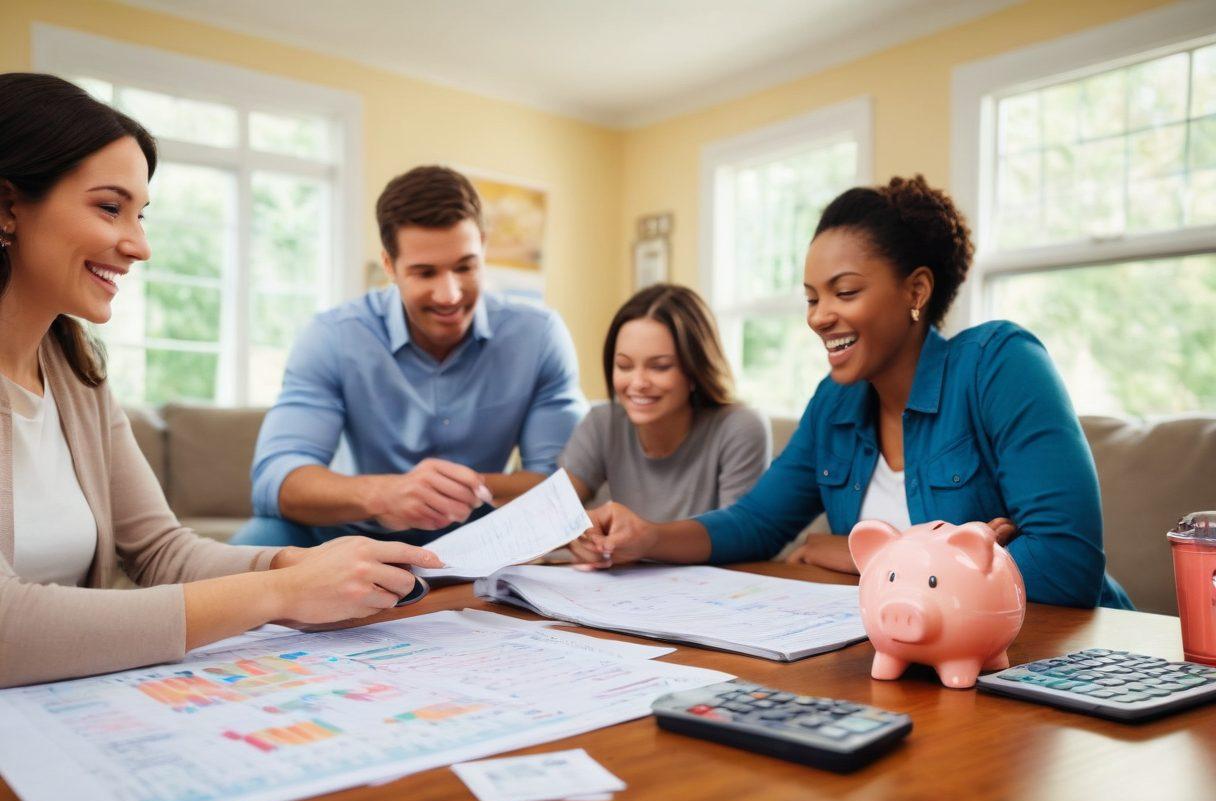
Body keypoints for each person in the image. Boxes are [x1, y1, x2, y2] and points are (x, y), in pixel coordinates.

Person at [0, 74, 443, 688]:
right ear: (7, 207)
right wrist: (282, 591)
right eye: (110, 207)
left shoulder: (78, 374)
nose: (140, 245)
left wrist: (304, 564)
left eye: (141, 214)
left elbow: (161, 552)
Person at [569, 175, 1132, 609]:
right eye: (812, 297)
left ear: (916, 290)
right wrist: (646, 537)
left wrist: (879, 557)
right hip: (909, 655)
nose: (820, 317)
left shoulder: (999, 365)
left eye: (845, 291)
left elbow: (1065, 563)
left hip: (1067, 662)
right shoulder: (834, 403)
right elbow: (757, 524)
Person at [231, 165, 586, 549]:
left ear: (482, 246)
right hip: (356, 532)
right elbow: (275, 480)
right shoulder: (332, 337)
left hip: (482, 534)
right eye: (425, 273)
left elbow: (560, 483)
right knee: (252, 545)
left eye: (465, 267)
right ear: (390, 266)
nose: (449, 294)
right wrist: (385, 495)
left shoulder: (539, 335)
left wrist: (446, 491)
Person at [555, 284, 769, 521]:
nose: (638, 383)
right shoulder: (602, 422)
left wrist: (642, 541)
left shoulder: (740, 427)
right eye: (624, 365)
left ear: (696, 369)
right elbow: (550, 516)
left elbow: (740, 537)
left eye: (660, 367)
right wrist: (584, 537)